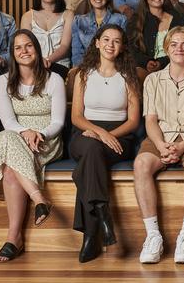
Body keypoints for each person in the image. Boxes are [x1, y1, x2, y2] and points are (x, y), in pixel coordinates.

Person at [134, 27, 184, 264]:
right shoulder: (152, 80)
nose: (179, 49)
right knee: (140, 164)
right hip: (162, 135)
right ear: (166, 49)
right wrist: (160, 145)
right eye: (174, 44)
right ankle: (153, 236)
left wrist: (183, 146)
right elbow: (150, 120)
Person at [0, 29, 66, 262]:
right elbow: (8, 121)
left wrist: (38, 133)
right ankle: (37, 202)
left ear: (36, 49)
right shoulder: (2, 82)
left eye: (29, 46)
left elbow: (58, 122)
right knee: (8, 146)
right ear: (12, 53)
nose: (24, 51)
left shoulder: (54, 80)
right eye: (18, 47)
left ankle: (14, 238)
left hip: (46, 141)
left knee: (9, 160)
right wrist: (25, 132)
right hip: (16, 134)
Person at [70, 24, 141, 263]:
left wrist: (111, 135)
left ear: (122, 47)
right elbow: (76, 117)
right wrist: (100, 132)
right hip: (87, 131)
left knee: (87, 165)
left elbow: (133, 120)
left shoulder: (129, 75)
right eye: (106, 40)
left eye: (117, 41)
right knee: (90, 148)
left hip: (120, 135)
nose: (111, 44)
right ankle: (103, 215)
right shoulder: (83, 74)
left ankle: (91, 235)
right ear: (97, 43)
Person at [20, 0, 74, 80]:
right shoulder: (27, 17)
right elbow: (26, 46)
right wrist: (39, 62)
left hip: (60, 66)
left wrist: (48, 60)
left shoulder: (68, 15)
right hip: (34, 65)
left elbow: (64, 46)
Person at [129, 0, 184, 77]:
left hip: (172, 65)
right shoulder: (136, 19)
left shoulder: (177, 18)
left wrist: (161, 63)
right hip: (144, 67)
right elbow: (131, 48)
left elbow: (182, 48)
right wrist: (147, 62)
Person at [71, 0, 128, 66]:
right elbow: (77, 53)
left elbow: (123, 51)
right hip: (86, 68)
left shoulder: (120, 20)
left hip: (113, 67)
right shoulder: (78, 21)